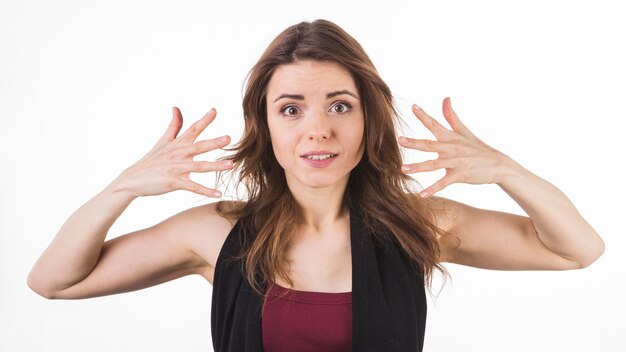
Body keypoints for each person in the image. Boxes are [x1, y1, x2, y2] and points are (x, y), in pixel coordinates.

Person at [27, 19, 605, 351]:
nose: (318, 130)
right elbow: (52, 281)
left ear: (367, 119)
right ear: (266, 125)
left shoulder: (419, 226)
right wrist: (121, 189)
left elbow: (577, 249)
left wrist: (507, 170)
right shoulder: (215, 235)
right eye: (291, 109)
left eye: (339, 105)